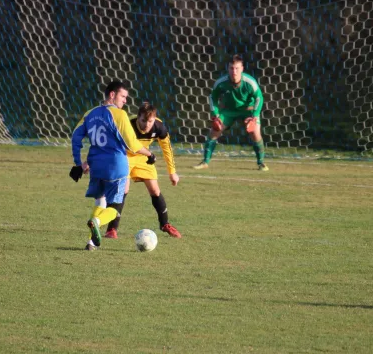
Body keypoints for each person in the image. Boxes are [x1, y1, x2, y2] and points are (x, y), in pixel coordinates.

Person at [70, 81, 155, 251]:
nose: (125, 101)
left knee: (100, 200)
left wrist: (79, 163)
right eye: (123, 96)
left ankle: (91, 243)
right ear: (112, 95)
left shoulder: (90, 113)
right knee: (114, 209)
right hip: (116, 166)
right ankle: (98, 222)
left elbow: (75, 137)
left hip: (96, 167)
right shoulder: (119, 115)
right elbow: (132, 144)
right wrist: (150, 154)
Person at [104, 102, 182, 239]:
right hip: (124, 156)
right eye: (143, 120)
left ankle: (165, 224)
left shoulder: (159, 127)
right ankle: (111, 229)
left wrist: (172, 171)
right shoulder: (127, 124)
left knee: (155, 190)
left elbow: (167, 149)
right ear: (138, 117)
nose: (147, 124)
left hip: (143, 156)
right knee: (124, 189)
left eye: (150, 121)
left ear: (154, 119)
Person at [193, 54, 268, 171]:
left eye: (237, 68)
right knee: (214, 131)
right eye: (231, 68)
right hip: (229, 111)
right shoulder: (221, 82)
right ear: (228, 69)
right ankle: (205, 162)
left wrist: (254, 116)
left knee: (255, 133)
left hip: (248, 111)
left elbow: (259, 98)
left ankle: (261, 163)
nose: (234, 71)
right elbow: (213, 97)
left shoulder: (250, 82)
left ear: (242, 68)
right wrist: (215, 114)